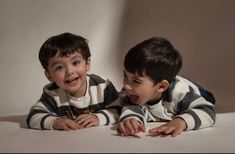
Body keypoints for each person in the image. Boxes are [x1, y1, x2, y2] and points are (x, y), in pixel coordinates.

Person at [117, 37, 216, 137]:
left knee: (207, 98)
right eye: (125, 75)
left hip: (192, 88)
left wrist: (181, 121)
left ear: (161, 86)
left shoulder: (180, 92)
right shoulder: (129, 93)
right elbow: (130, 108)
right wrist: (131, 121)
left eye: (136, 81)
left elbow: (207, 110)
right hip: (164, 81)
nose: (126, 85)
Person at [26, 32, 121, 130]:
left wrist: (98, 117)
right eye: (59, 67)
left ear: (87, 63)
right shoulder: (52, 93)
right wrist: (55, 122)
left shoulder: (102, 86)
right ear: (49, 75)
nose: (69, 72)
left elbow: (119, 110)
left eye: (75, 63)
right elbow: (33, 117)